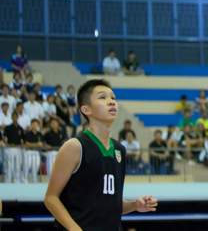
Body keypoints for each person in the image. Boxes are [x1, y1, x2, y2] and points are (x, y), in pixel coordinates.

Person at [43, 79, 157, 229]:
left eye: (113, 98)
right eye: (103, 97)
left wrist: (135, 205)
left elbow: (110, 204)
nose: (111, 102)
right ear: (86, 109)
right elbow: (51, 198)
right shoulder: (74, 147)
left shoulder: (120, 150)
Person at [23, 118, 44, 182]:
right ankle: (24, 181)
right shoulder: (27, 133)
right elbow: (26, 144)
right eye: (33, 124)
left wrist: (32, 144)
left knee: (35, 168)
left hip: (36, 153)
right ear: (31, 125)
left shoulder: (39, 134)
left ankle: (34, 181)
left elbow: (41, 144)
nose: (34, 125)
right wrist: (36, 144)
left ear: (38, 125)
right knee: (27, 167)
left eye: (36, 124)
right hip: (28, 152)